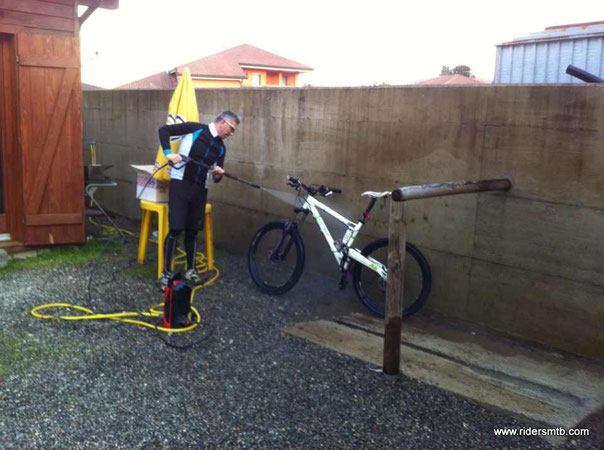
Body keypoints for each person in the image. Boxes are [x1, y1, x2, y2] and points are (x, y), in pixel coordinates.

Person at [157, 110, 240, 289]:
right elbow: (163, 130)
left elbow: (217, 178)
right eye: (232, 129)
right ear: (223, 123)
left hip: (200, 189)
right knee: (175, 229)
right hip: (180, 184)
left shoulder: (221, 148)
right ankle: (165, 274)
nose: (231, 134)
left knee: (193, 231)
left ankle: (190, 270)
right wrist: (168, 153)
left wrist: (218, 174)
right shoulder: (195, 129)